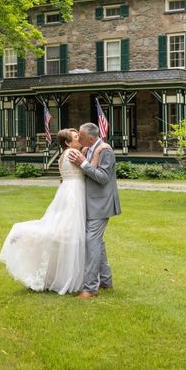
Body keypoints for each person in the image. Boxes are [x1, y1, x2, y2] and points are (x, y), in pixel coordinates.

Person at [0, 128, 85, 294]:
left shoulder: (62, 156)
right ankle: (25, 235)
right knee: (67, 233)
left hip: (66, 191)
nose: (79, 138)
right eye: (76, 137)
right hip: (74, 193)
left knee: (61, 229)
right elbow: (86, 168)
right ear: (68, 142)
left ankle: (58, 272)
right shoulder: (73, 153)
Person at [68, 122, 121, 299]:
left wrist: (83, 164)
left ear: (91, 138)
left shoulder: (105, 150)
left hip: (101, 204)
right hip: (90, 204)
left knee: (91, 243)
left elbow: (103, 178)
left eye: (81, 137)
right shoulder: (89, 149)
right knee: (98, 244)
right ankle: (106, 282)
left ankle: (90, 289)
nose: (79, 139)